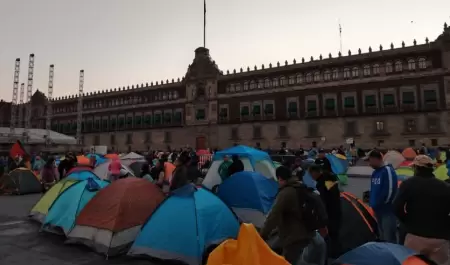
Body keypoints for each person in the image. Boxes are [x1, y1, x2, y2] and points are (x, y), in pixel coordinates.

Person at [260, 166, 326, 265]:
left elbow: (273, 216)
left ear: (280, 178)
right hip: (307, 231)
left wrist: (262, 235)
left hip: (294, 236)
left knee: (289, 261)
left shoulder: (286, 193)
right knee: (299, 258)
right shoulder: (300, 186)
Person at [393, 155, 450, 265]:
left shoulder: (408, 184)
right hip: (440, 238)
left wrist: (407, 221)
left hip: (415, 235)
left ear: (416, 168)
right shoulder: (445, 186)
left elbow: (396, 207)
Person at [308, 164, 342, 257]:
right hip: (336, 209)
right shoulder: (330, 178)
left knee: (330, 234)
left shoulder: (322, 182)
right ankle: (336, 253)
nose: (312, 177)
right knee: (335, 234)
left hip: (330, 212)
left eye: (311, 174)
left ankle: (332, 254)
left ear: (315, 172)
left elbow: (323, 200)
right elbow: (333, 193)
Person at [366, 149, 398, 243]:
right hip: (377, 210)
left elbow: (391, 190)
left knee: (389, 237)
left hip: (387, 211)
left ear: (377, 159)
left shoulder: (387, 171)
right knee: (382, 236)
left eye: (370, 160)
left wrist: (382, 203)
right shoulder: (375, 173)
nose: (369, 163)